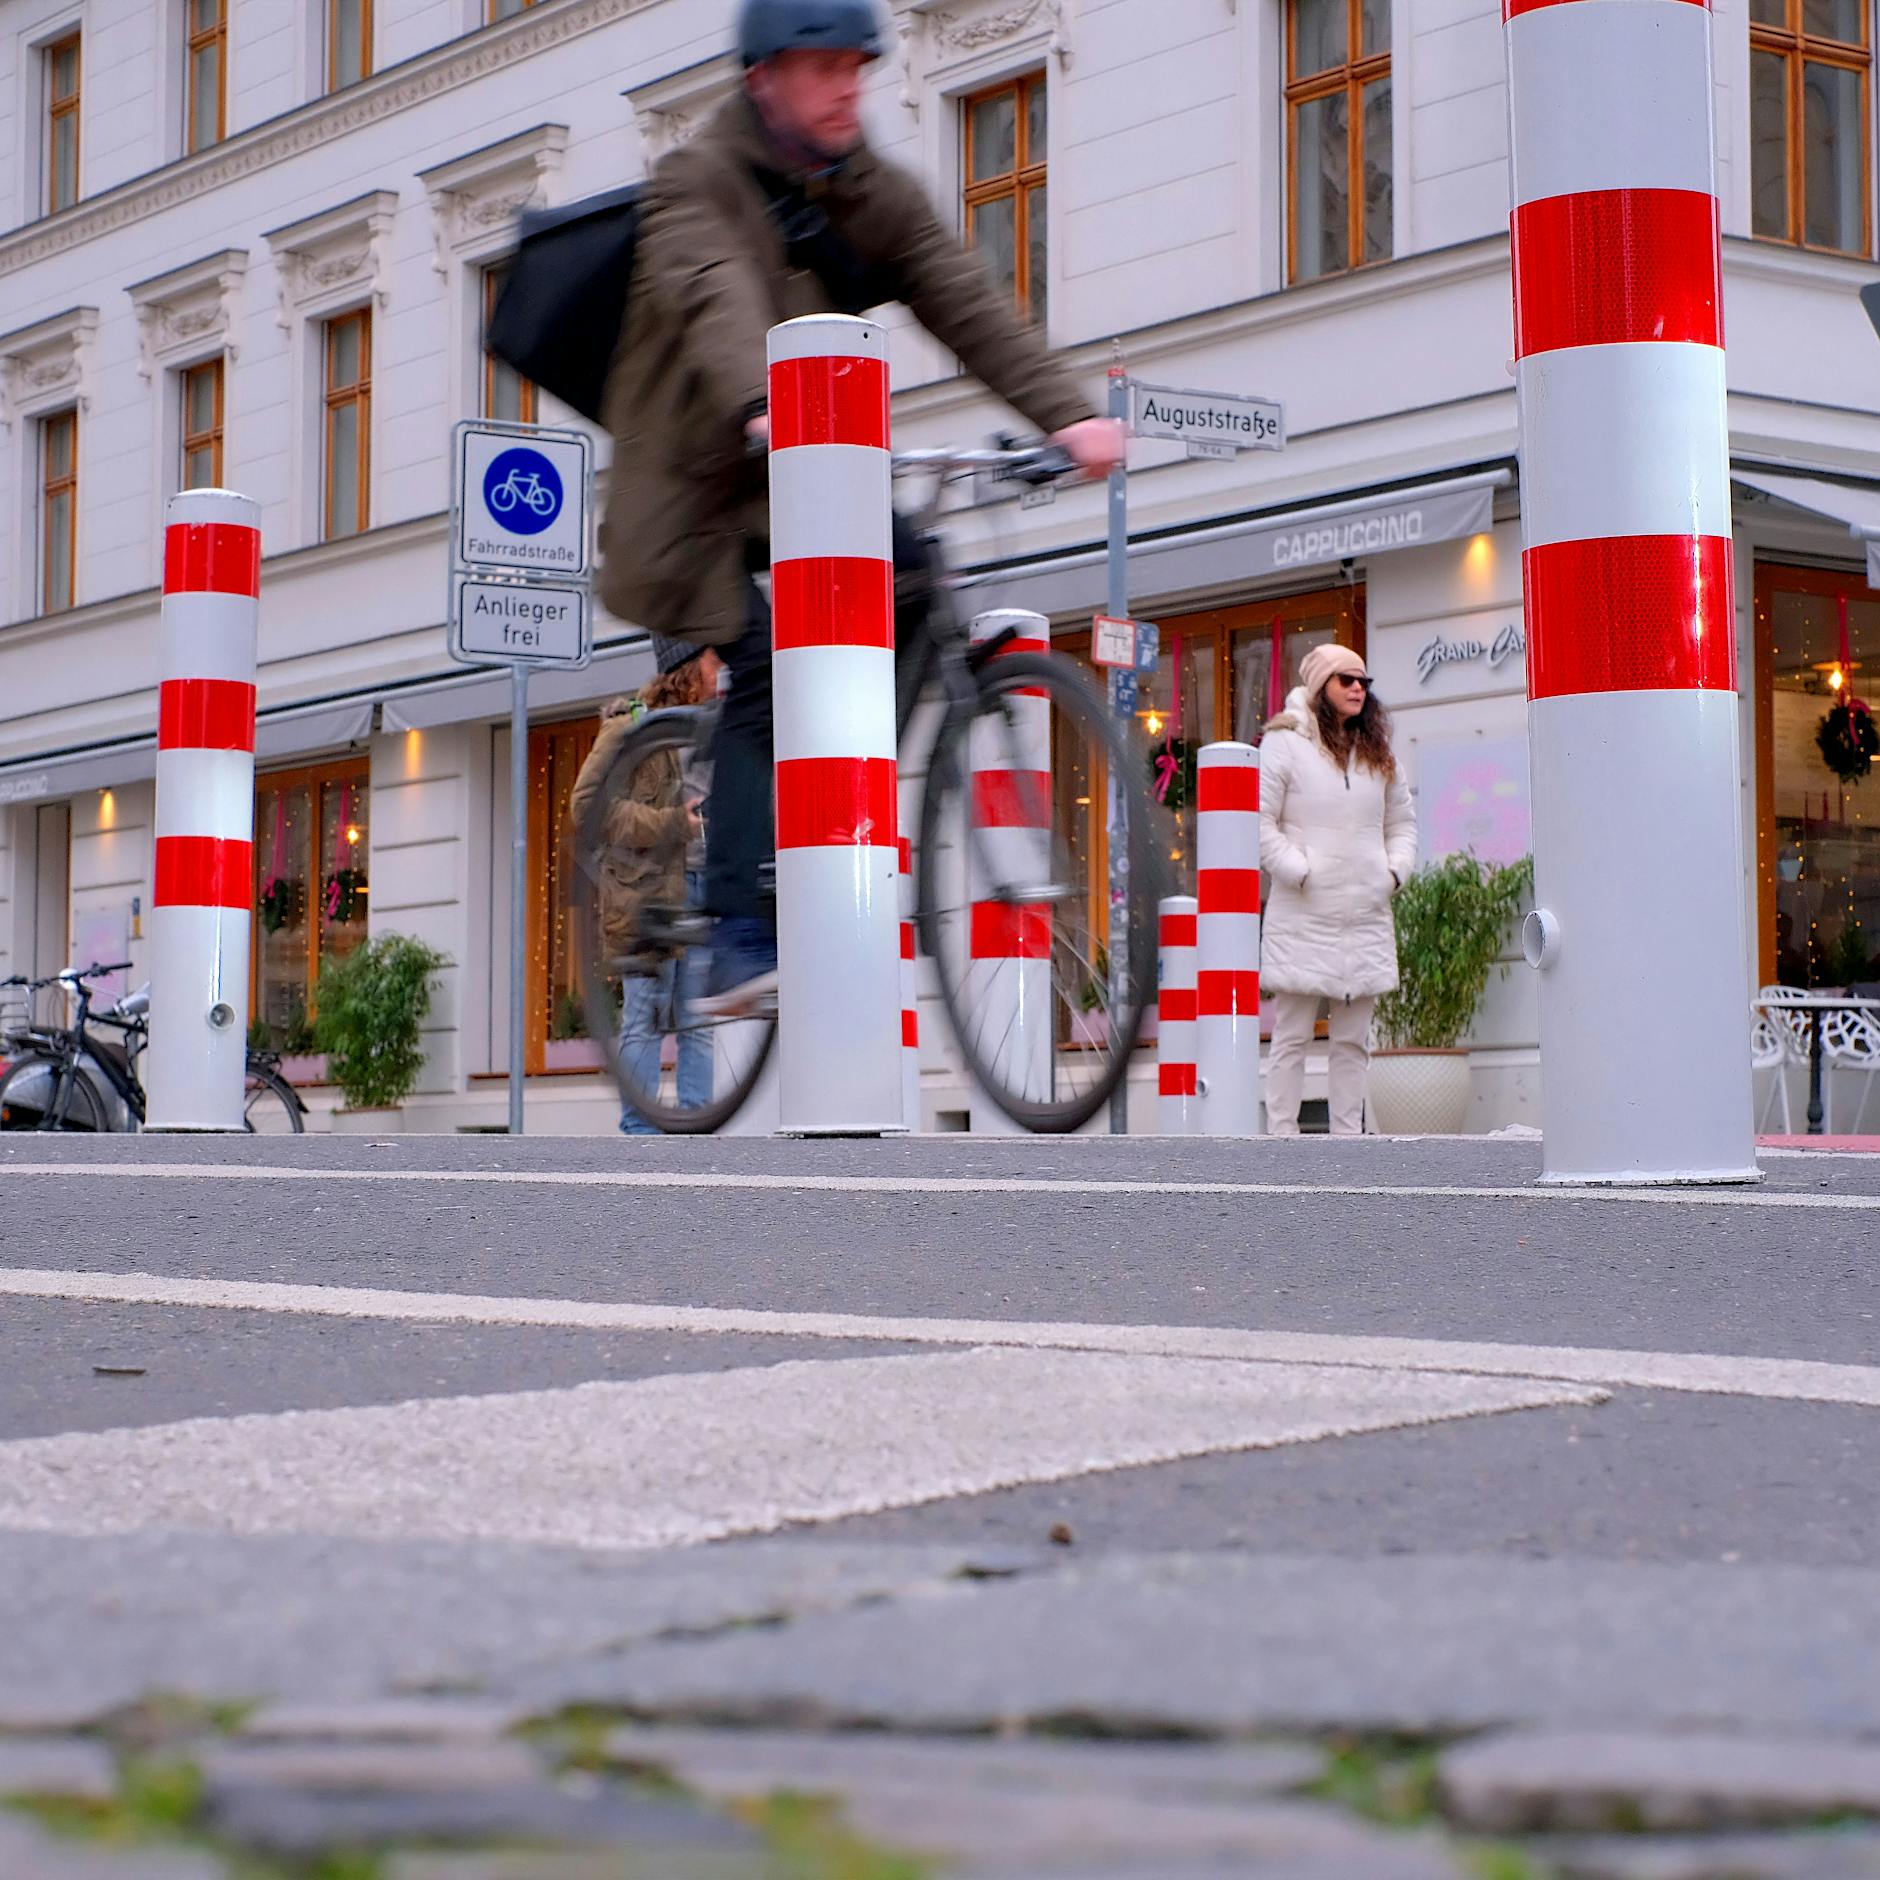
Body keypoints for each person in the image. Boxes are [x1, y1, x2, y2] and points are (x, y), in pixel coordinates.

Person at [599, 0, 1124, 1012]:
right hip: (690, 506)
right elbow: (717, 297)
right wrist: (765, 402)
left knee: (916, 571)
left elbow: (960, 296)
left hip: (812, 480)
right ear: (764, 79)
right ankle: (742, 930)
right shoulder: (693, 185)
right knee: (760, 668)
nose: (847, 86)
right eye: (820, 67)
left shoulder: (866, 188)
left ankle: (829, 795)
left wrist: (1068, 419)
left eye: (857, 66)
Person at [1259, 643, 1417, 1137]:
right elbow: (1259, 823)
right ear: (1319, 686)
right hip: (1303, 914)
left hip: (1365, 914)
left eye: (1363, 682)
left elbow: (1403, 824)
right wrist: (1299, 870)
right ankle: (1281, 1138)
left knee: (1353, 1042)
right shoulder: (1283, 743)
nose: (1357, 689)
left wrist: (1393, 873)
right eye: (1345, 680)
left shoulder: (1379, 753)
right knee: (1291, 1036)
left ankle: (1348, 1144)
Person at [570, 640, 723, 1133]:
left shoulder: (712, 728)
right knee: (645, 1016)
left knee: (698, 1019)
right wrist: (669, 823)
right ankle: (639, 1132)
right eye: (713, 660)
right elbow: (586, 806)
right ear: (687, 668)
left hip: (704, 885)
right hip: (648, 893)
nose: (721, 670)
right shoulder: (629, 727)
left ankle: (696, 1127)